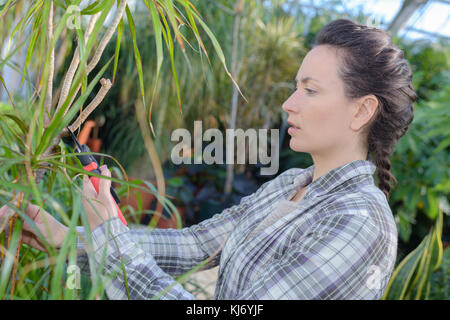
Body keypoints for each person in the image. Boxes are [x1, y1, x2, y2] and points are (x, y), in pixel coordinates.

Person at [0, 18, 417, 299]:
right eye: (296, 87)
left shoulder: (358, 222)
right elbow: (193, 246)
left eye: (310, 90)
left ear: (362, 111)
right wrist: (70, 238)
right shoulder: (292, 186)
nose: (289, 104)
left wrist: (109, 229)